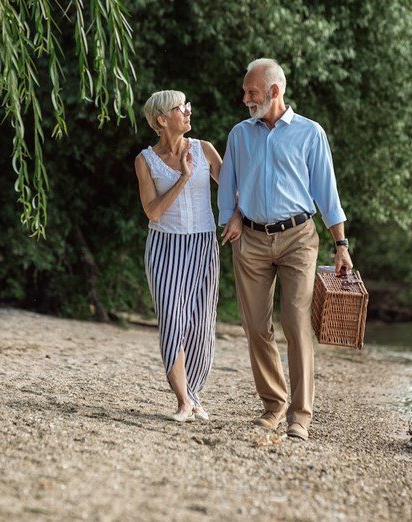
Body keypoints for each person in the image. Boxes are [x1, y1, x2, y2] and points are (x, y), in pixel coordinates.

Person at [218, 58, 353, 441]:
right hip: (251, 240)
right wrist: (230, 217)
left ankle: (300, 415)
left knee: (295, 323)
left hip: (298, 238)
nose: (245, 98)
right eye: (246, 91)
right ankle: (273, 405)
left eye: (252, 92)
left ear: (274, 91)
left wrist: (340, 245)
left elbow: (328, 194)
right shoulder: (239, 135)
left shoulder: (311, 134)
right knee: (256, 326)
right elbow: (227, 184)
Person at [134, 90, 223, 423]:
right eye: (180, 108)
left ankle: (195, 396)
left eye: (188, 105)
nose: (188, 111)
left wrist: (238, 218)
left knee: (200, 325)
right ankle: (183, 402)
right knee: (173, 322)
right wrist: (184, 177)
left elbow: (232, 188)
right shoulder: (145, 160)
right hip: (165, 247)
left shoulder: (204, 149)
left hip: (203, 246)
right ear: (161, 119)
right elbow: (153, 212)